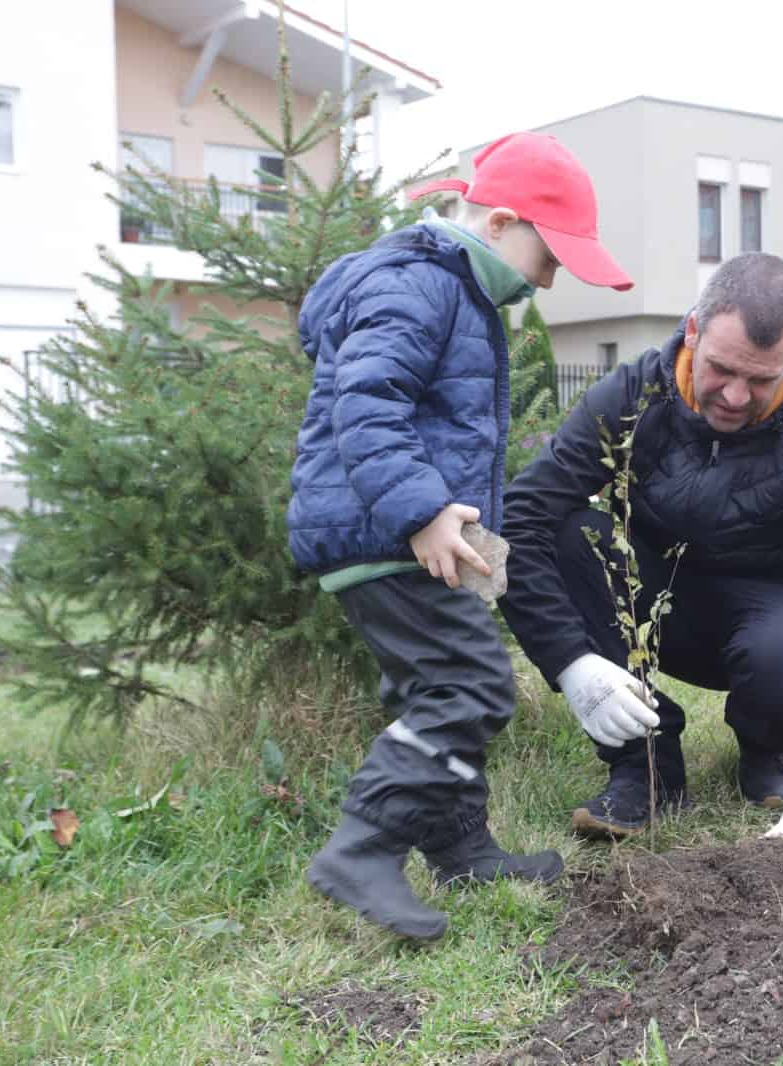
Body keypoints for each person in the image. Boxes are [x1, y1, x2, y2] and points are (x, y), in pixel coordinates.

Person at [286, 132, 634, 941]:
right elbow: (366, 404)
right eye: (549, 257)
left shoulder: (456, 292)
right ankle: (362, 848)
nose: (550, 278)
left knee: (435, 687)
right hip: (385, 533)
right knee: (470, 684)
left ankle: (459, 847)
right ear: (503, 222)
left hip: (406, 531)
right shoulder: (416, 284)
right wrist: (423, 511)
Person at [499, 253, 783, 840]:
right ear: (693, 329)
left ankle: (765, 753)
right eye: (720, 369)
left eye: (761, 380)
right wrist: (571, 661)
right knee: (571, 533)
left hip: (772, 614)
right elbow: (523, 516)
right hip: (657, 602)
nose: (735, 397)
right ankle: (646, 765)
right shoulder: (636, 394)